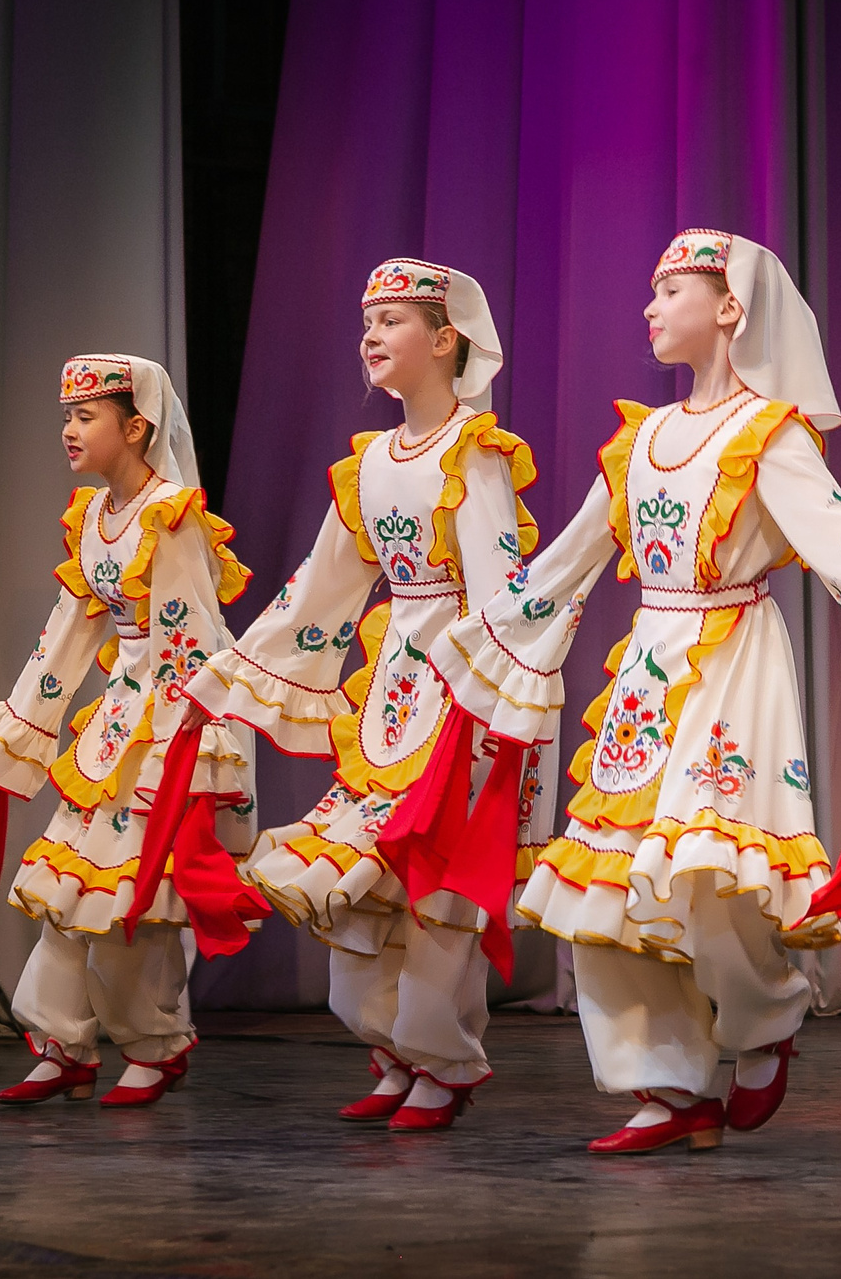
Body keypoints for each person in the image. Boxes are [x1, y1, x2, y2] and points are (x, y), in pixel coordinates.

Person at [429, 229, 841, 1154]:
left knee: (713, 868)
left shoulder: (767, 433)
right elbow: (574, 555)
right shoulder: (645, 437)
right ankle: (665, 1084)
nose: (651, 309)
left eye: (672, 291)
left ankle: (764, 1018)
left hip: (734, 655)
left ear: (730, 309)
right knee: (609, 884)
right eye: (652, 293)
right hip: (649, 665)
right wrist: (482, 639)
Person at [179, 259, 545, 1132]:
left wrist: (499, 697)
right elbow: (322, 586)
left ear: (445, 339)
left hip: (458, 680)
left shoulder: (475, 455)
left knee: (431, 880)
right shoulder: (374, 461)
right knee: (359, 878)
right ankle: (394, 1047)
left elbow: (501, 587)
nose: (370, 337)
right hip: (389, 690)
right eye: (366, 321)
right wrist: (234, 673)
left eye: (391, 321)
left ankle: (443, 1057)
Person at [0, 355, 254, 1108]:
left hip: (169, 721)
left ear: (135, 426)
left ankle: (153, 1045)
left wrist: (196, 744)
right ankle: (60, 1042)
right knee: (68, 887)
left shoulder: (168, 514)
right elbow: (70, 629)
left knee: (136, 900)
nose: (69, 431)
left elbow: (194, 636)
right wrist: (24, 723)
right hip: (115, 723)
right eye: (67, 417)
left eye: (85, 417)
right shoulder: (95, 516)